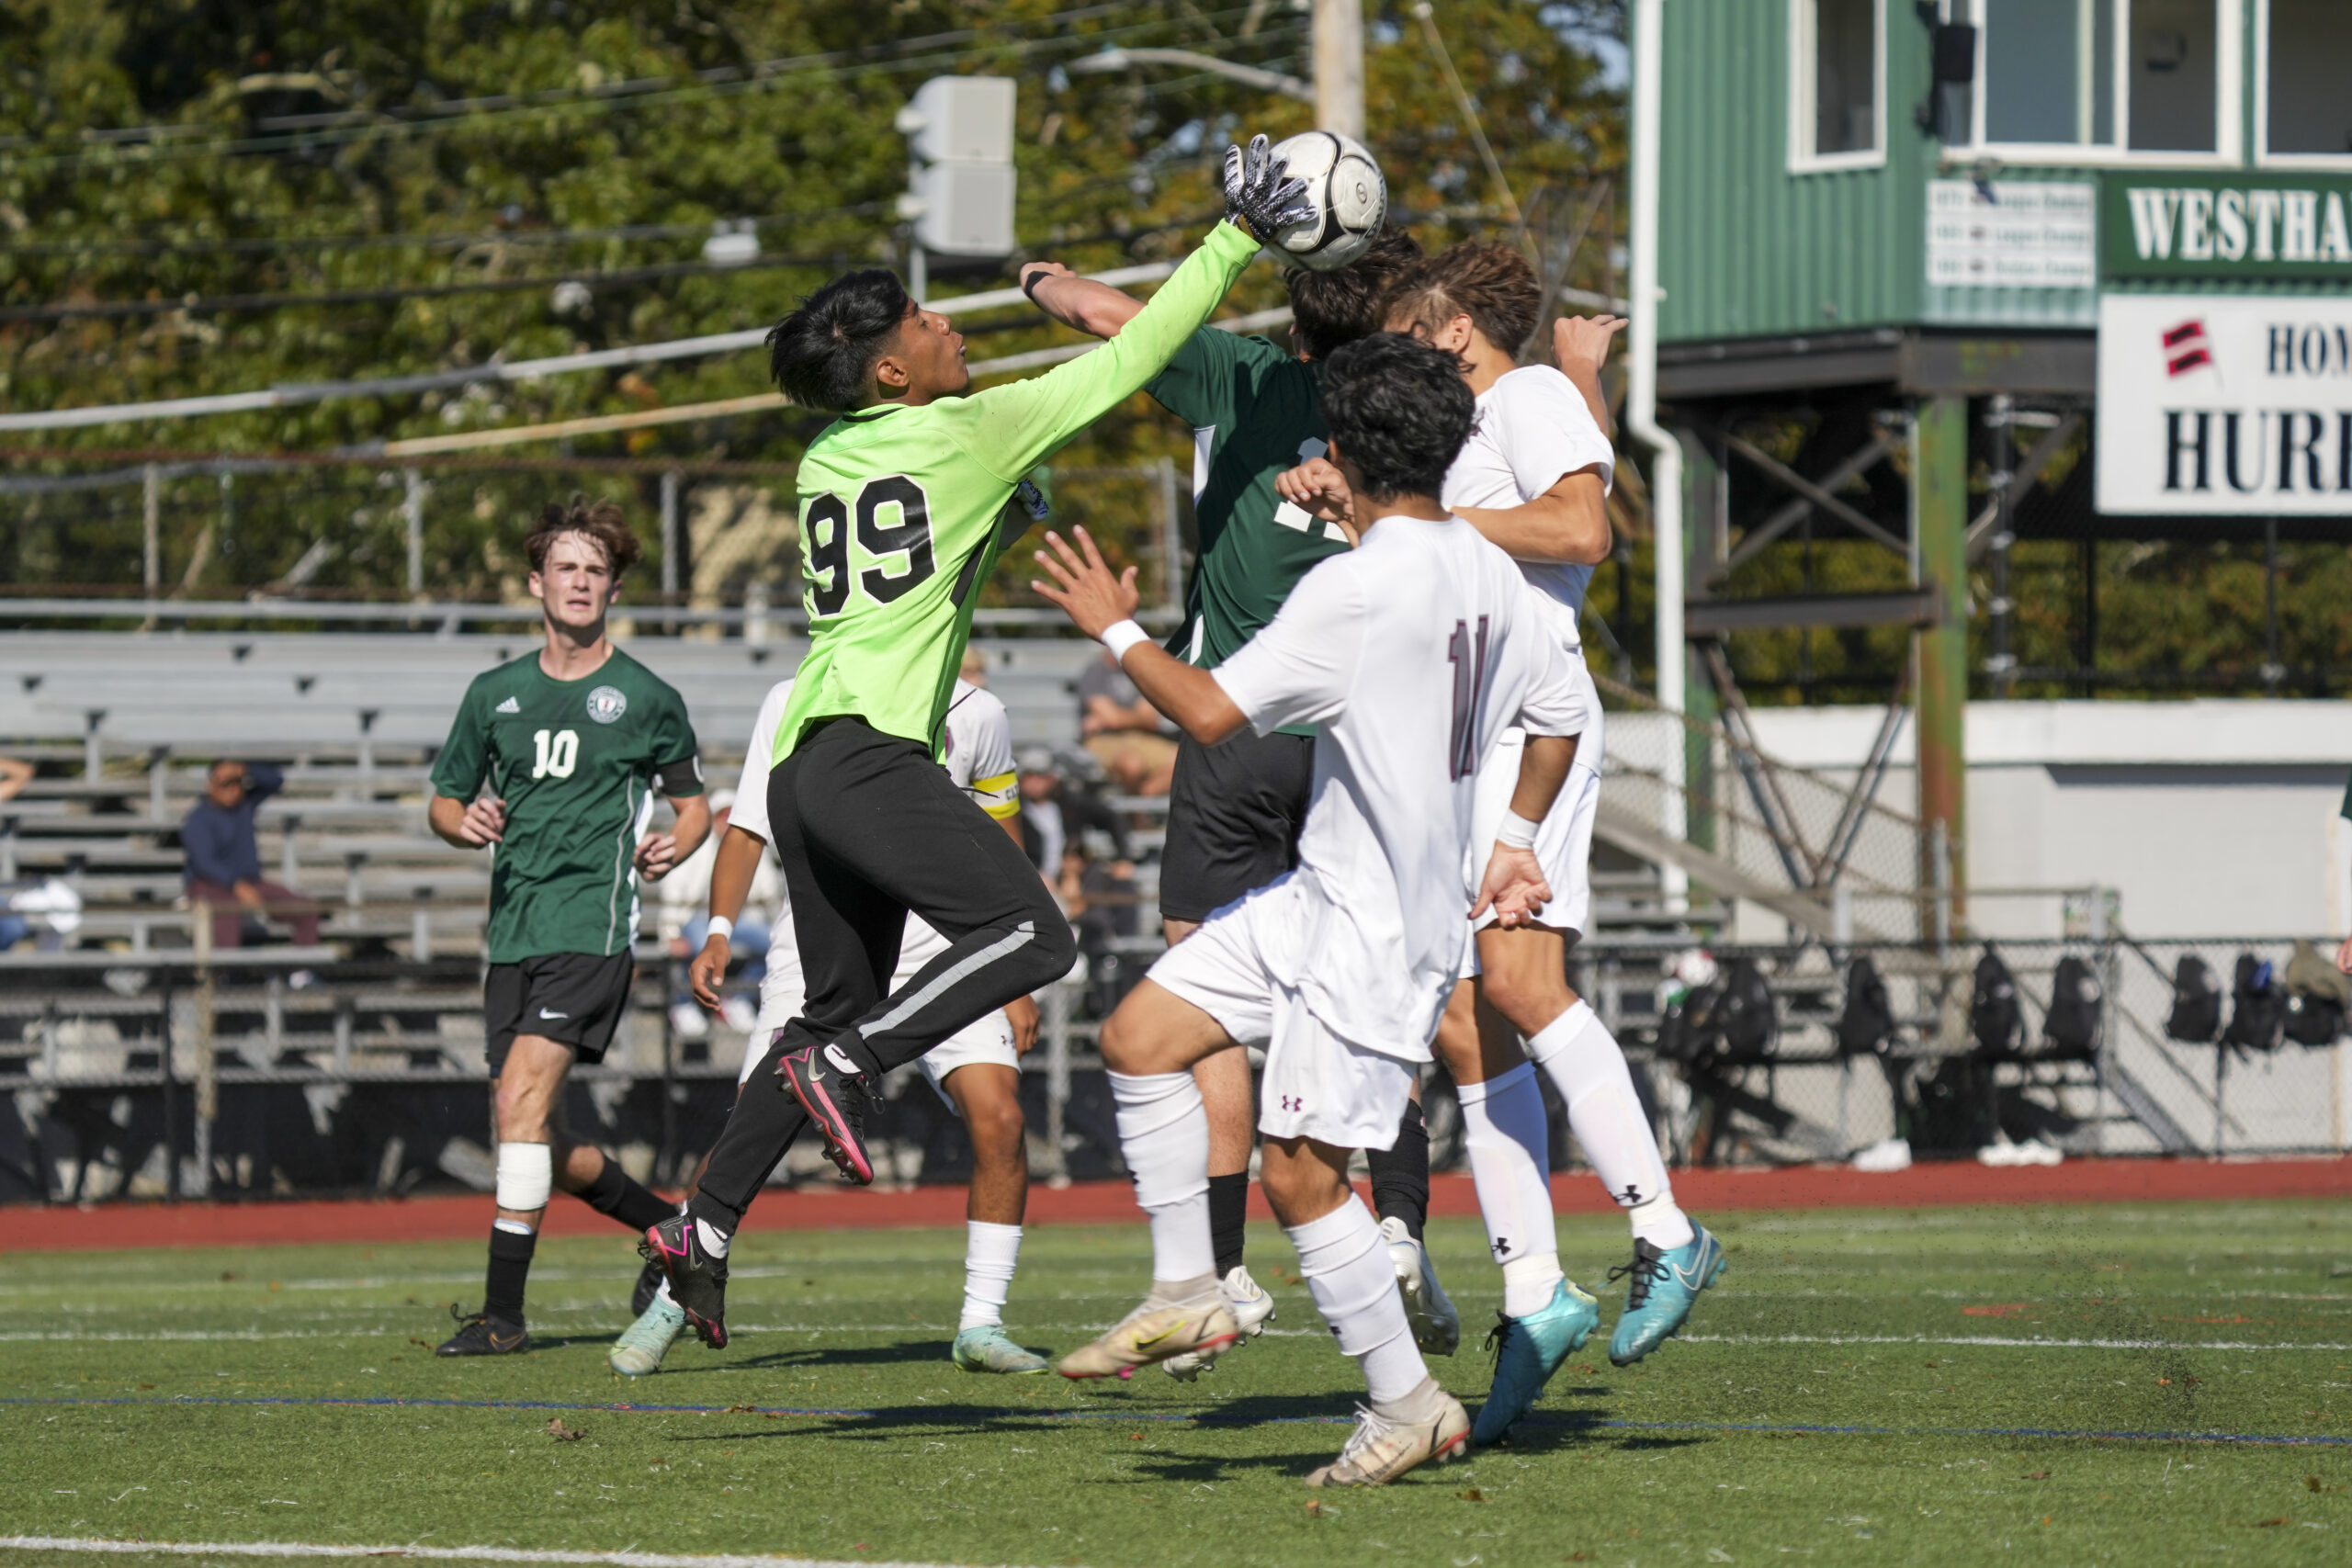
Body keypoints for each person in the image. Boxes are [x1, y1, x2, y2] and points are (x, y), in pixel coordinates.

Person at [639, 137, 1308, 1313]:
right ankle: (858, 1066)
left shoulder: (822, 459)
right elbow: (1140, 351)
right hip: (867, 760)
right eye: (918, 320)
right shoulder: (971, 430)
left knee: (823, 1012)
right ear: (891, 372)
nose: (946, 320)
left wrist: (996, 518)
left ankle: (700, 1227)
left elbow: (914, 568)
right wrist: (1237, 236)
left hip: (806, 764)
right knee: (1034, 941)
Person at [1033, 333, 1591, 1488]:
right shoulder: (1488, 567)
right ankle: (1189, 1288)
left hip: (1375, 935)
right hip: (1325, 892)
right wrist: (1518, 841)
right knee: (1140, 1038)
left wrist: (1115, 628)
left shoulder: (1352, 587)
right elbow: (1563, 713)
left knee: (1297, 1176)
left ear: (1341, 450)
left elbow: (1206, 710)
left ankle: (1407, 1405)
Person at [1280, 243, 1724, 1434]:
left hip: (1534, 719)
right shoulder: (1487, 414)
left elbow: (1584, 529)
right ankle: (1533, 1284)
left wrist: (1427, 512)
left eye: (1410, 323)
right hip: (1469, 730)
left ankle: (1666, 1227)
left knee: (1522, 984)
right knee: (1470, 1017)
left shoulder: (1520, 394)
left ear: (1457, 320)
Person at [1020, 225, 1445, 1367]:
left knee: (1194, 991)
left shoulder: (1247, 376)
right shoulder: (1411, 417)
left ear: (1295, 316)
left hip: (1238, 716)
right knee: (1364, 992)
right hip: (1357, 742)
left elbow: (1115, 319)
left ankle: (1214, 1274)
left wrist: (1037, 276)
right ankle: (1397, 1226)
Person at [622, 673, 1049, 1374]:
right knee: (753, 1123)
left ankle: (982, 1322)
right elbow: (749, 824)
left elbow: (1002, 838)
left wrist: (1016, 972)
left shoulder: (981, 712)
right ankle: (672, 1299)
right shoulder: (797, 698)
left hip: (945, 947)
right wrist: (721, 930)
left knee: (999, 1117)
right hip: (830, 940)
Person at [425, 495, 711, 1357]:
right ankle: (671, 1231)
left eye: (595, 570)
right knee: (532, 1130)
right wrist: (460, 821)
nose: (579, 582)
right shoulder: (494, 693)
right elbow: (443, 800)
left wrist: (674, 844)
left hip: (592, 928)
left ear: (613, 588)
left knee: (518, 1104)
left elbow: (693, 807)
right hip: (511, 934)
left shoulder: (646, 696)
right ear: (536, 583)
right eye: (565, 567)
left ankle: (503, 1316)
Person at [658, 788, 776, 1037]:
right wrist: (669, 933)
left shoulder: (751, 846)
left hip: (739, 920)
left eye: (730, 815)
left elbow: (769, 891)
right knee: (702, 944)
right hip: (696, 918)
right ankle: (683, 1004)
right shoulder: (696, 848)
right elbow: (673, 892)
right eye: (721, 815)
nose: (725, 821)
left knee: (773, 942)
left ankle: (740, 999)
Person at [181, 760, 322, 950]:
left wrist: (244, 769)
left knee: (306, 908)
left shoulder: (244, 806)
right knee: (227, 911)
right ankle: (225, 975)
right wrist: (236, 885)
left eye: (237, 782)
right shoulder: (198, 819)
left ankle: (302, 974)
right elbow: (205, 863)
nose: (232, 789)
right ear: (211, 784)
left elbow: (275, 781)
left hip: (251, 882)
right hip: (209, 884)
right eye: (225, 783)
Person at [1077, 648, 1178, 795]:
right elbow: (1112, 719)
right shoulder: (1095, 672)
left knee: (1183, 760)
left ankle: (1142, 799)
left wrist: (1111, 718)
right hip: (1104, 740)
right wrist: (1133, 717)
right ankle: (1138, 813)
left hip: (1141, 737)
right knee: (1131, 764)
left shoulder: (1139, 671)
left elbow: (1150, 720)